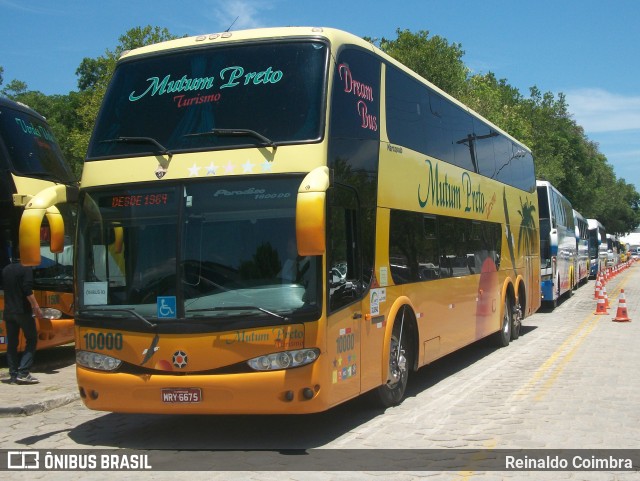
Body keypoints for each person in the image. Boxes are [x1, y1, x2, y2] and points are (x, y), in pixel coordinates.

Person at [2, 260, 42, 384]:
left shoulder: (6, 269)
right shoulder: (26, 269)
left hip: (9, 311)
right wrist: (36, 307)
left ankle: (13, 375)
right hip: (22, 311)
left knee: (12, 344)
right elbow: (27, 290)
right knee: (32, 339)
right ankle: (23, 372)